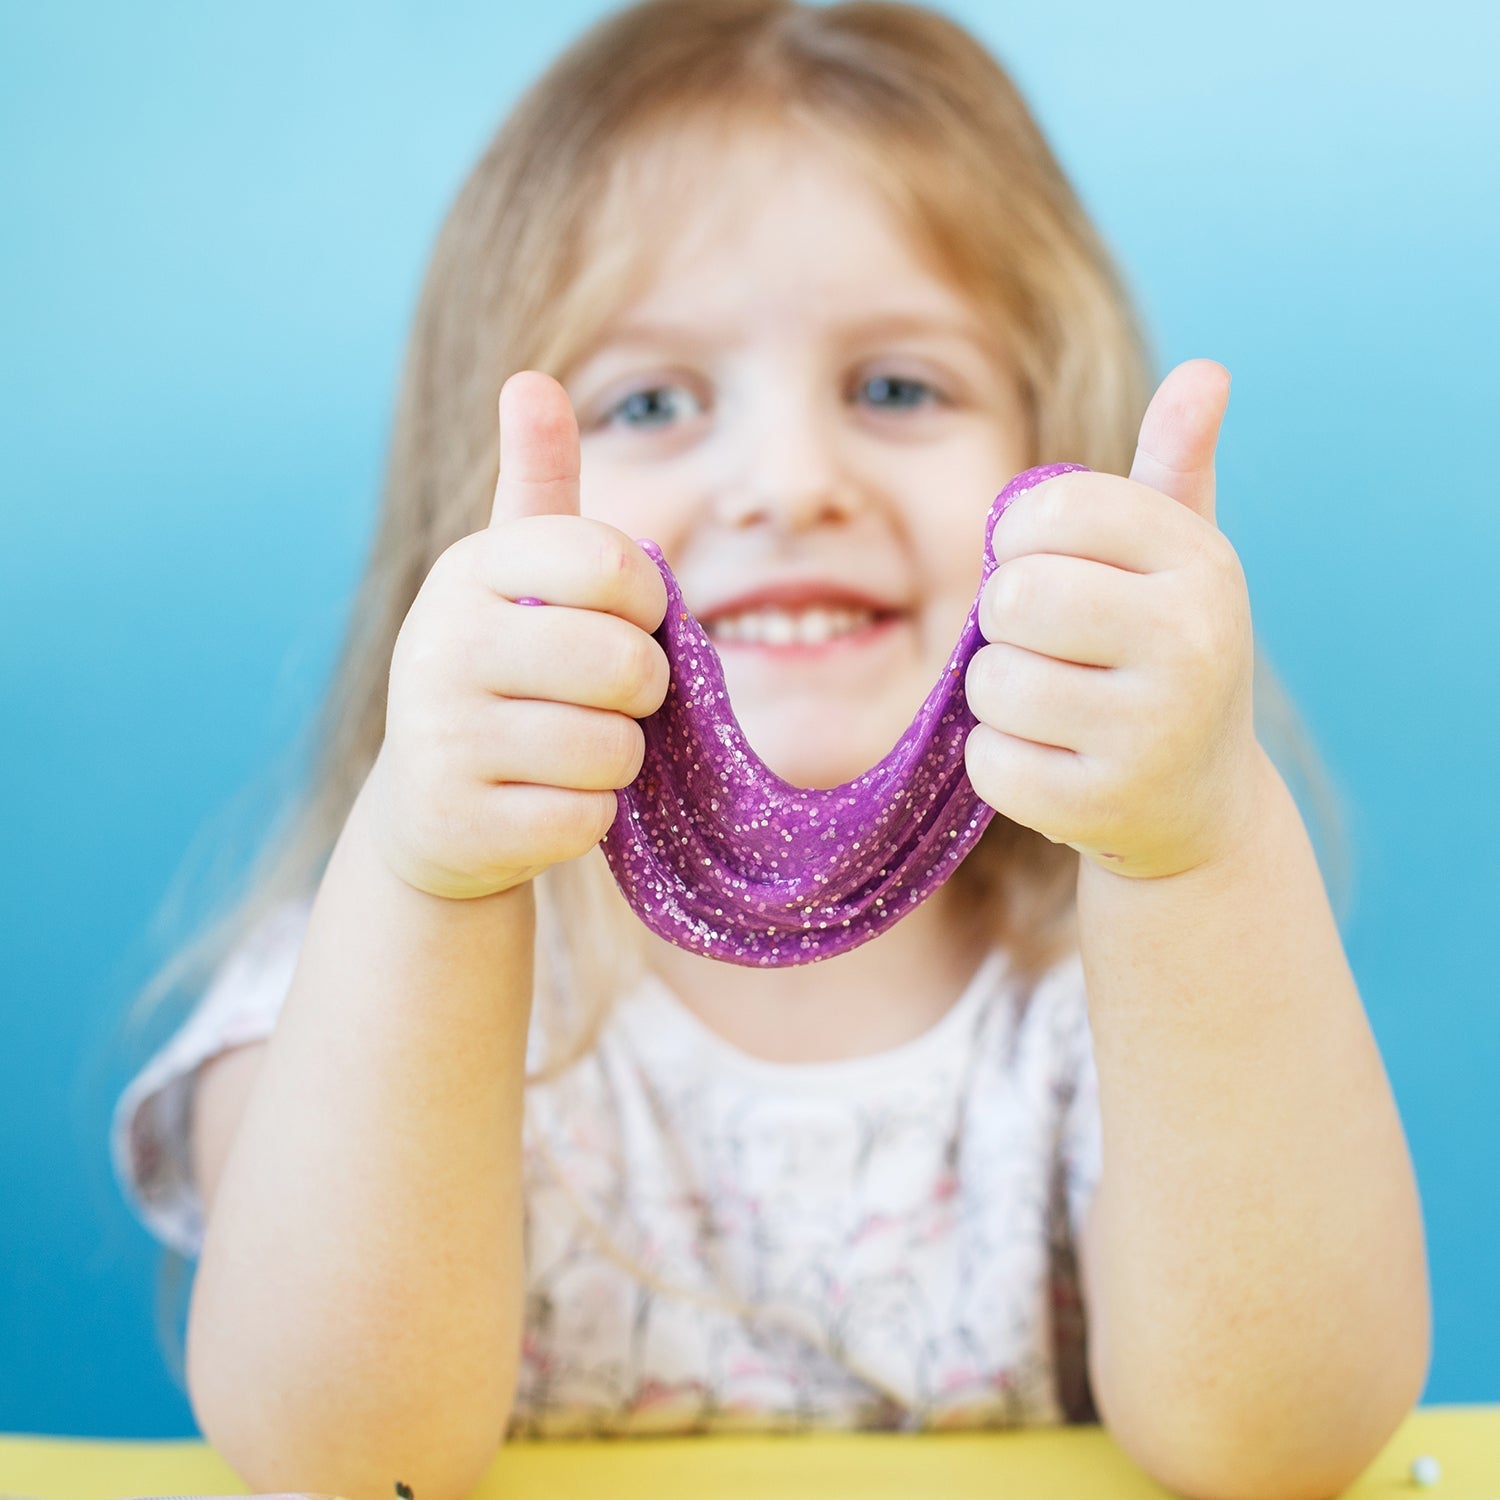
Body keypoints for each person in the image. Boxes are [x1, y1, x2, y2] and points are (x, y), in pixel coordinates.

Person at [109, 2, 1431, 1497]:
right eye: (655, 401)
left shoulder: (1108, 994)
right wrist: (430, 881)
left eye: (895, 388)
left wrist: (1200, 851)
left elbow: (1284, 1450)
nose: (791, 482)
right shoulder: (349, 973)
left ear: (1047, 457)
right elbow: (335, 1461)